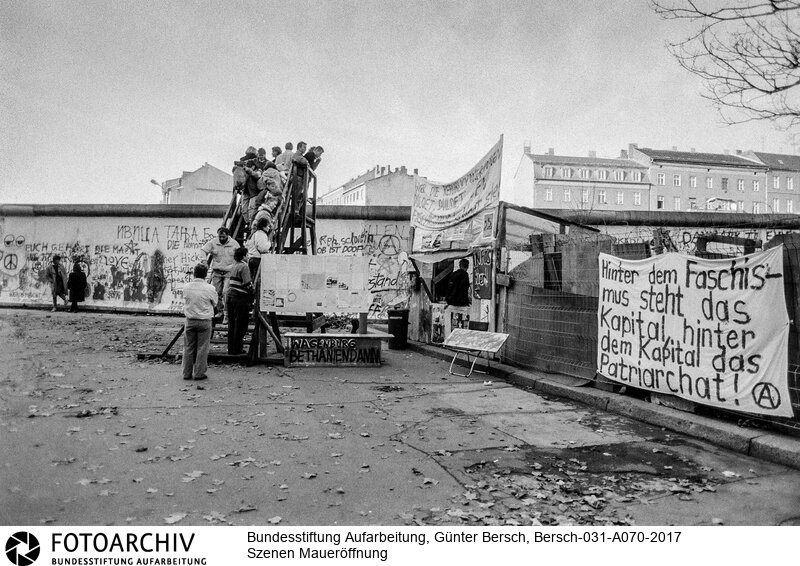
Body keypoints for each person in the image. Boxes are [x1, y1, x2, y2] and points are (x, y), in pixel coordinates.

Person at [182, 263, 218, 381]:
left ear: (194, 273)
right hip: (204, 320)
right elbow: (215, 303)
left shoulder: (187, 287)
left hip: (190, 319)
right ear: (205, 275)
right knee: (202, 348)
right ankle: (199, 372)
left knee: (188, 347)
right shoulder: (210, 288)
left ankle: (186, 373)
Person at [201, 227, 240, 322]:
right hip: (217, 272)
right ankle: (220, 310)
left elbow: (240, 254)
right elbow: (203, 250)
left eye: (223, 237)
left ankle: (227, 314)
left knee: (225, 292)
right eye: (220, 236)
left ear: (227, 235)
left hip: (229, 272)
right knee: (216, 292)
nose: (221, 238)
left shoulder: (234, 244)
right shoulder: (213, 242)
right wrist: (204, 261)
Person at [226, 247, 253, 355]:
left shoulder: (234, 266)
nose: (248, 257)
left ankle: (231, 349)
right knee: (241, 324)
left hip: (230, 295)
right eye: (247, 255)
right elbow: (247, 283)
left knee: (232, 324)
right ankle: (238, 348)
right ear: (243, 256)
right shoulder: (244, 266)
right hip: (240, 297)